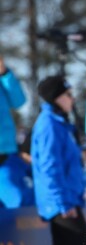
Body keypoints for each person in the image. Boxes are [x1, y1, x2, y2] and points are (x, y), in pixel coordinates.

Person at [31, 75, 86, 245]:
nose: (72, 98)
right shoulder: (48, 124)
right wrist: (63, 203)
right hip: (60, 202)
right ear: (57, 98)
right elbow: (48, 167)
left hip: (68, 199)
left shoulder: (60, 123)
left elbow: (63, 161)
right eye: (68, 94)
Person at [0, 55, 34, 208]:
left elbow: (19, 100)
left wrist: (4, 73)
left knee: (22, 200)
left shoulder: (3, 78)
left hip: (7, 151)